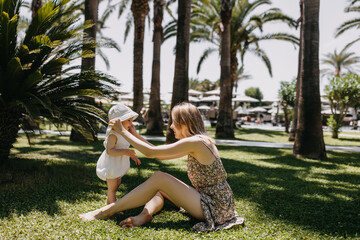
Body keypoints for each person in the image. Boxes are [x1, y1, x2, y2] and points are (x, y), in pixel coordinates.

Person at [80, 102, 245, 232]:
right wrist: (134, 134)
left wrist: (123, 131)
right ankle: (145, 215)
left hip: (215, 207)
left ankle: (106, 211)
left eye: (174, 122)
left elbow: (151, 153)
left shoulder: (196, 142)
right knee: (160, 187)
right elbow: (158, 154)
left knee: (160, 178)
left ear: (184, 124)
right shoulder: (199, 141)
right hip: (217, 203)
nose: (171, 126)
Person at [96, 104, 142, 205]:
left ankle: (108, 204)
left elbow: (125, 147)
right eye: (128, 120)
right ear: (119, 122)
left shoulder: (124, 133)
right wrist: (126, 152)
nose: (131, 123)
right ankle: (112, 210)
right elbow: (110, 151)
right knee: (112, 188)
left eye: (131, 120)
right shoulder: (113, 134)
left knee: (117, 184)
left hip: (119, 164)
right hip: (111, 165)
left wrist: (131, 155)